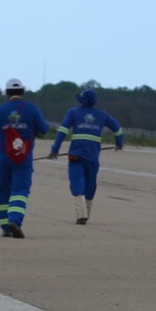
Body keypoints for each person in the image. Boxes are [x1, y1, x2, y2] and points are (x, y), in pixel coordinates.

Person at [0, 79, 53, 236]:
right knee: (20, 190)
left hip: (1, 157)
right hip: (23, 157)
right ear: (22, 92)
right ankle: (15, 221)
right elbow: (43, 129)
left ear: (7, 93)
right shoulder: (32, 109)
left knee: (3, 191)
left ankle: (4, 228)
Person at [47, 88, 124, 225]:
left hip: (76, 155)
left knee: (77, 182)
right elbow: (118, 130)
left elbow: (62, 131)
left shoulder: (73, 112)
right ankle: (87, 212)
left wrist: (55, 150)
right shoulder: (103, 115)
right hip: (93, 157)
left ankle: (81, 214)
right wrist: (119, 144)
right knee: (90, 184)